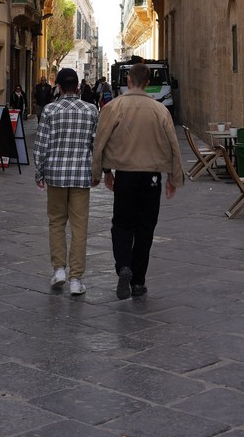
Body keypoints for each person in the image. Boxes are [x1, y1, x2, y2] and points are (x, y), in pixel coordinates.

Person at [92, 61, 184, 300]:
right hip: (151, 177)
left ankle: (124, 265)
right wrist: (173, 177)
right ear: (148, 83)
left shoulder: (115, 106)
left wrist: (103, 172)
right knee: (145, 227)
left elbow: (100, 141)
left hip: (125, 175)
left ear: (129, 80)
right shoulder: (159, 110)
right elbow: (173, 144)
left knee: (122, 223)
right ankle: (139, 281)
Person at [33, 66, 98, 296]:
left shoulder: (50, 110)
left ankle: (59, 269)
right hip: (81, 176)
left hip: (56, 176)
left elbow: (41, 146)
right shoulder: (91, 110)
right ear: (78, 86)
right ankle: (76, 279)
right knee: (80, 227)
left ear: (58, 87)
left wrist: (39, 174)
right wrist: (97, 172)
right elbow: (96, 145)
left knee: (56, 222)